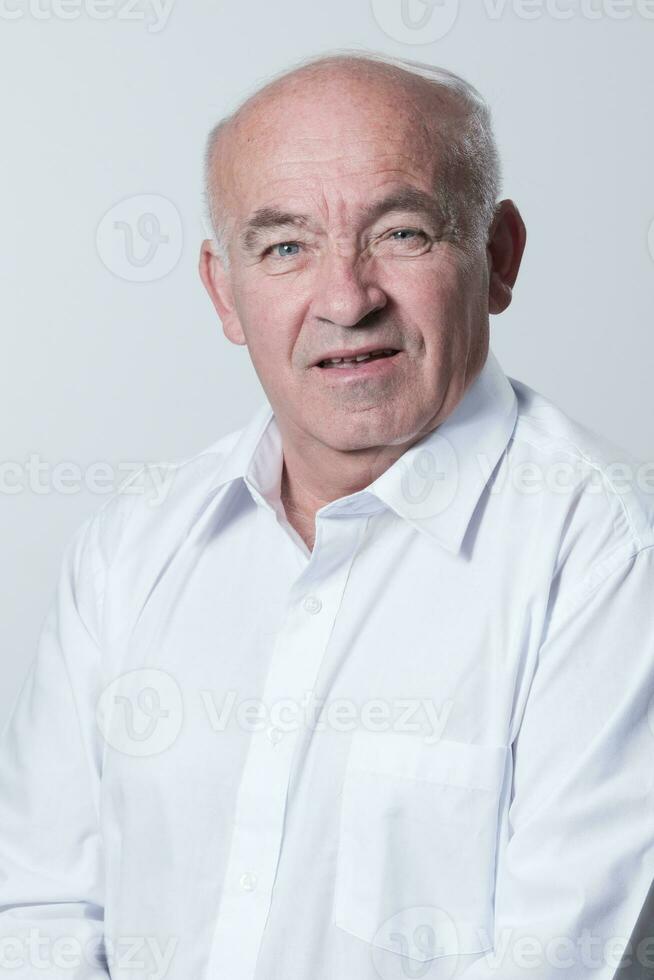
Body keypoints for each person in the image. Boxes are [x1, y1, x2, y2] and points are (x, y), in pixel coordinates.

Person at [1, 49, 653, 980]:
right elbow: (39, 908)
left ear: (499, 258)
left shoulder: (609, 559)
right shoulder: (127, 553)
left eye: (402, 233)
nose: (347, 299)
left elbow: (560, 963)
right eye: (285, 247)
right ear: (225, 291)